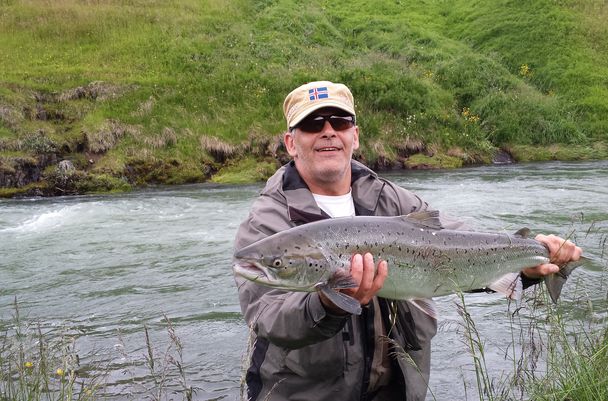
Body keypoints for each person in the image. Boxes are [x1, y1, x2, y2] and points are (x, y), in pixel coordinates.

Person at [233, 80, 582, 401]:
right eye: (312, 124)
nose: (328, 132)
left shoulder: (397, 202)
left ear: (355, 136)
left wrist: (527, 266)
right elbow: (267, 317)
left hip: (396, 391)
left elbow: (461, 252)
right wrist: (329, 304)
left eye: (339, 122)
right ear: (291, 142)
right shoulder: (268, 224)